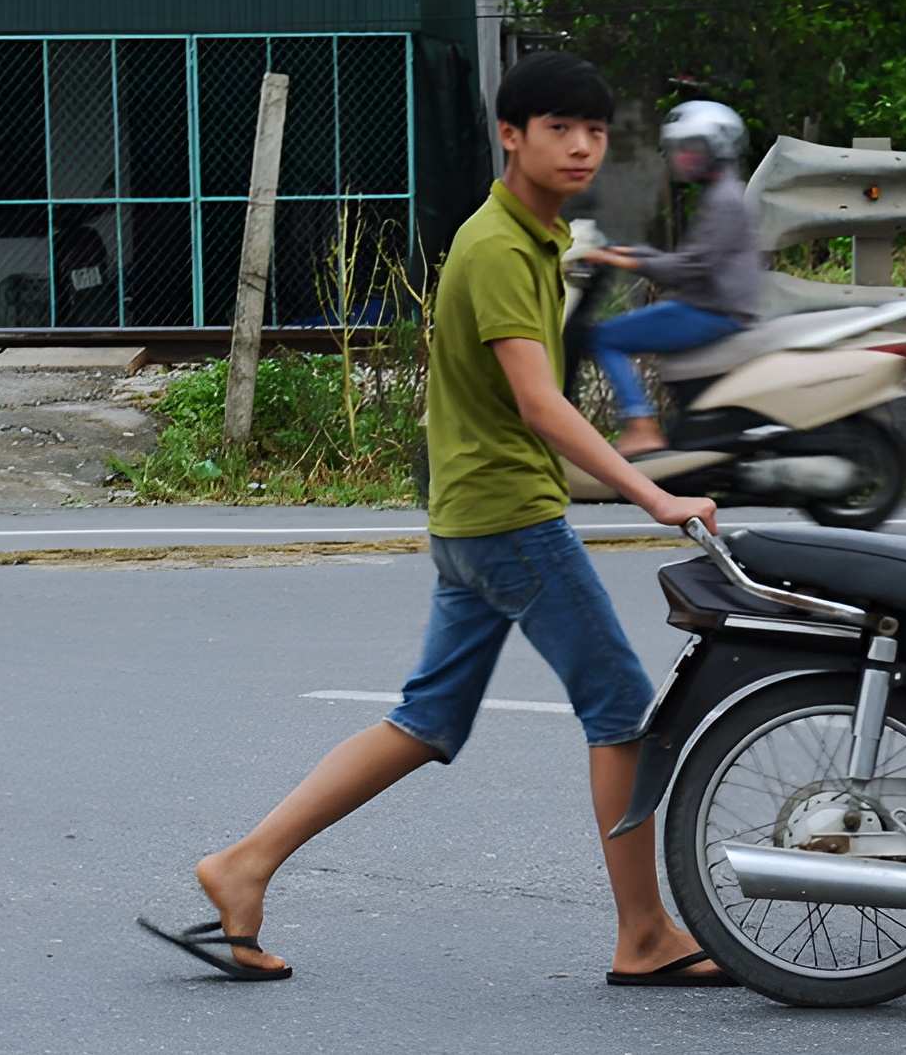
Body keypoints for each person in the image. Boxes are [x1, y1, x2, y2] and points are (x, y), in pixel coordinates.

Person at [139, 52, 733, 988]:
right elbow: (539, 402)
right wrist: (652, 492)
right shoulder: (499, 248)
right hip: (509, 517)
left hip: (475, 514)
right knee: (622, 709)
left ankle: (243, 866)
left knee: (428, 717)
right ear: (511, 135)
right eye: (557, 130)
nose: (581, 147)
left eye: (595, 133)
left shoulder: (529, 236)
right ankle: (646, 934)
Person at [582, 100, 763, 456]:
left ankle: (640, 424)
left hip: (712, 312)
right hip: (708, 306)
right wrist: (625, 252)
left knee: (603, 338)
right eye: (680, 150)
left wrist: (628, 261)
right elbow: (688, 261)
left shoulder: (725, 200)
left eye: (692, 149)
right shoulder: (720, 194)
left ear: (717, 148)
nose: (682, 158)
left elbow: (688, 268)